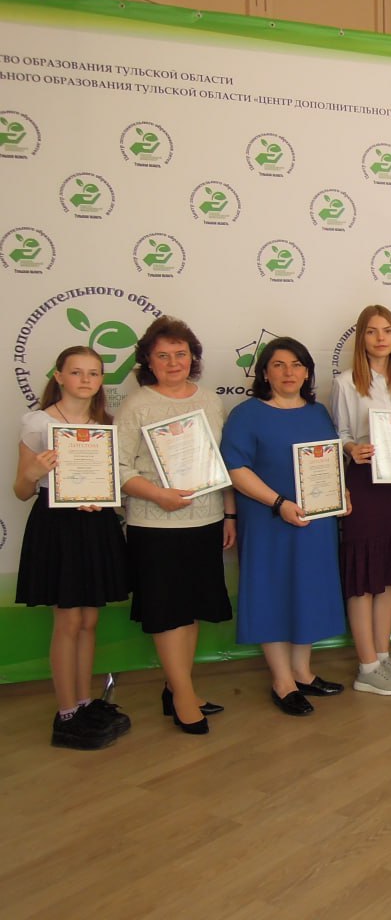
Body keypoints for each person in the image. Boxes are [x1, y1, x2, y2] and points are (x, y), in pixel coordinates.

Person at [116, 316, 235, 735]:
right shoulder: (137, 405)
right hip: (155, 525)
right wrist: (157, 494)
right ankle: (184, 696)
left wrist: (229, 513)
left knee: (191, 608)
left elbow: (222, 464)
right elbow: (118, 468)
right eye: (162, 355)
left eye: (180, 354)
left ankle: (177, 687)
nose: (172, 362)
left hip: (205, 520)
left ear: (193, 358)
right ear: (148, 361)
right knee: (168, 611)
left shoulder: (210, 401)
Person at [221, 337, 348, 716]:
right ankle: (282, 681)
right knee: (272, 593)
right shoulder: (247, 414)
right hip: (269, 521)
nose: (288, 372)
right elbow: (235, 469)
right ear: (264, 373)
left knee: (306, 591)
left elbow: (328, 462)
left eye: (296, 365)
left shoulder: (318, 412)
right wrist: (278, 503)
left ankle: (302, 672)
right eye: (278, 365)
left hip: (314, 523)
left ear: (307, 372)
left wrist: (342, 493)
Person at [14, 346, 131, 749]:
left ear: (101, 380)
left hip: (96, 523)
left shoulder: (106, 426)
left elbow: (115, 485)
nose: (85, 379)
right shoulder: (38, 423)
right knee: (67, 621)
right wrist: (33, 472)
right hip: (58, 525)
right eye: (77, 372)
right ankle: (65, 714)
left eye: (93, 373)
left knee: (89, 620)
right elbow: (21, 490)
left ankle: (83, 703)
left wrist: (107, 496)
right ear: (59, 376)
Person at [332, 305, 391, 696]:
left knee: (388, 576)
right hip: (364, 486)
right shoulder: (346, 383)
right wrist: (352, 448)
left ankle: (383, 656)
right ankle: (366, 666)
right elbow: (339, 434)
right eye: (372, 331)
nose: (381, 338)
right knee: (363, 577)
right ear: (361, 338)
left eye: (387, 331)